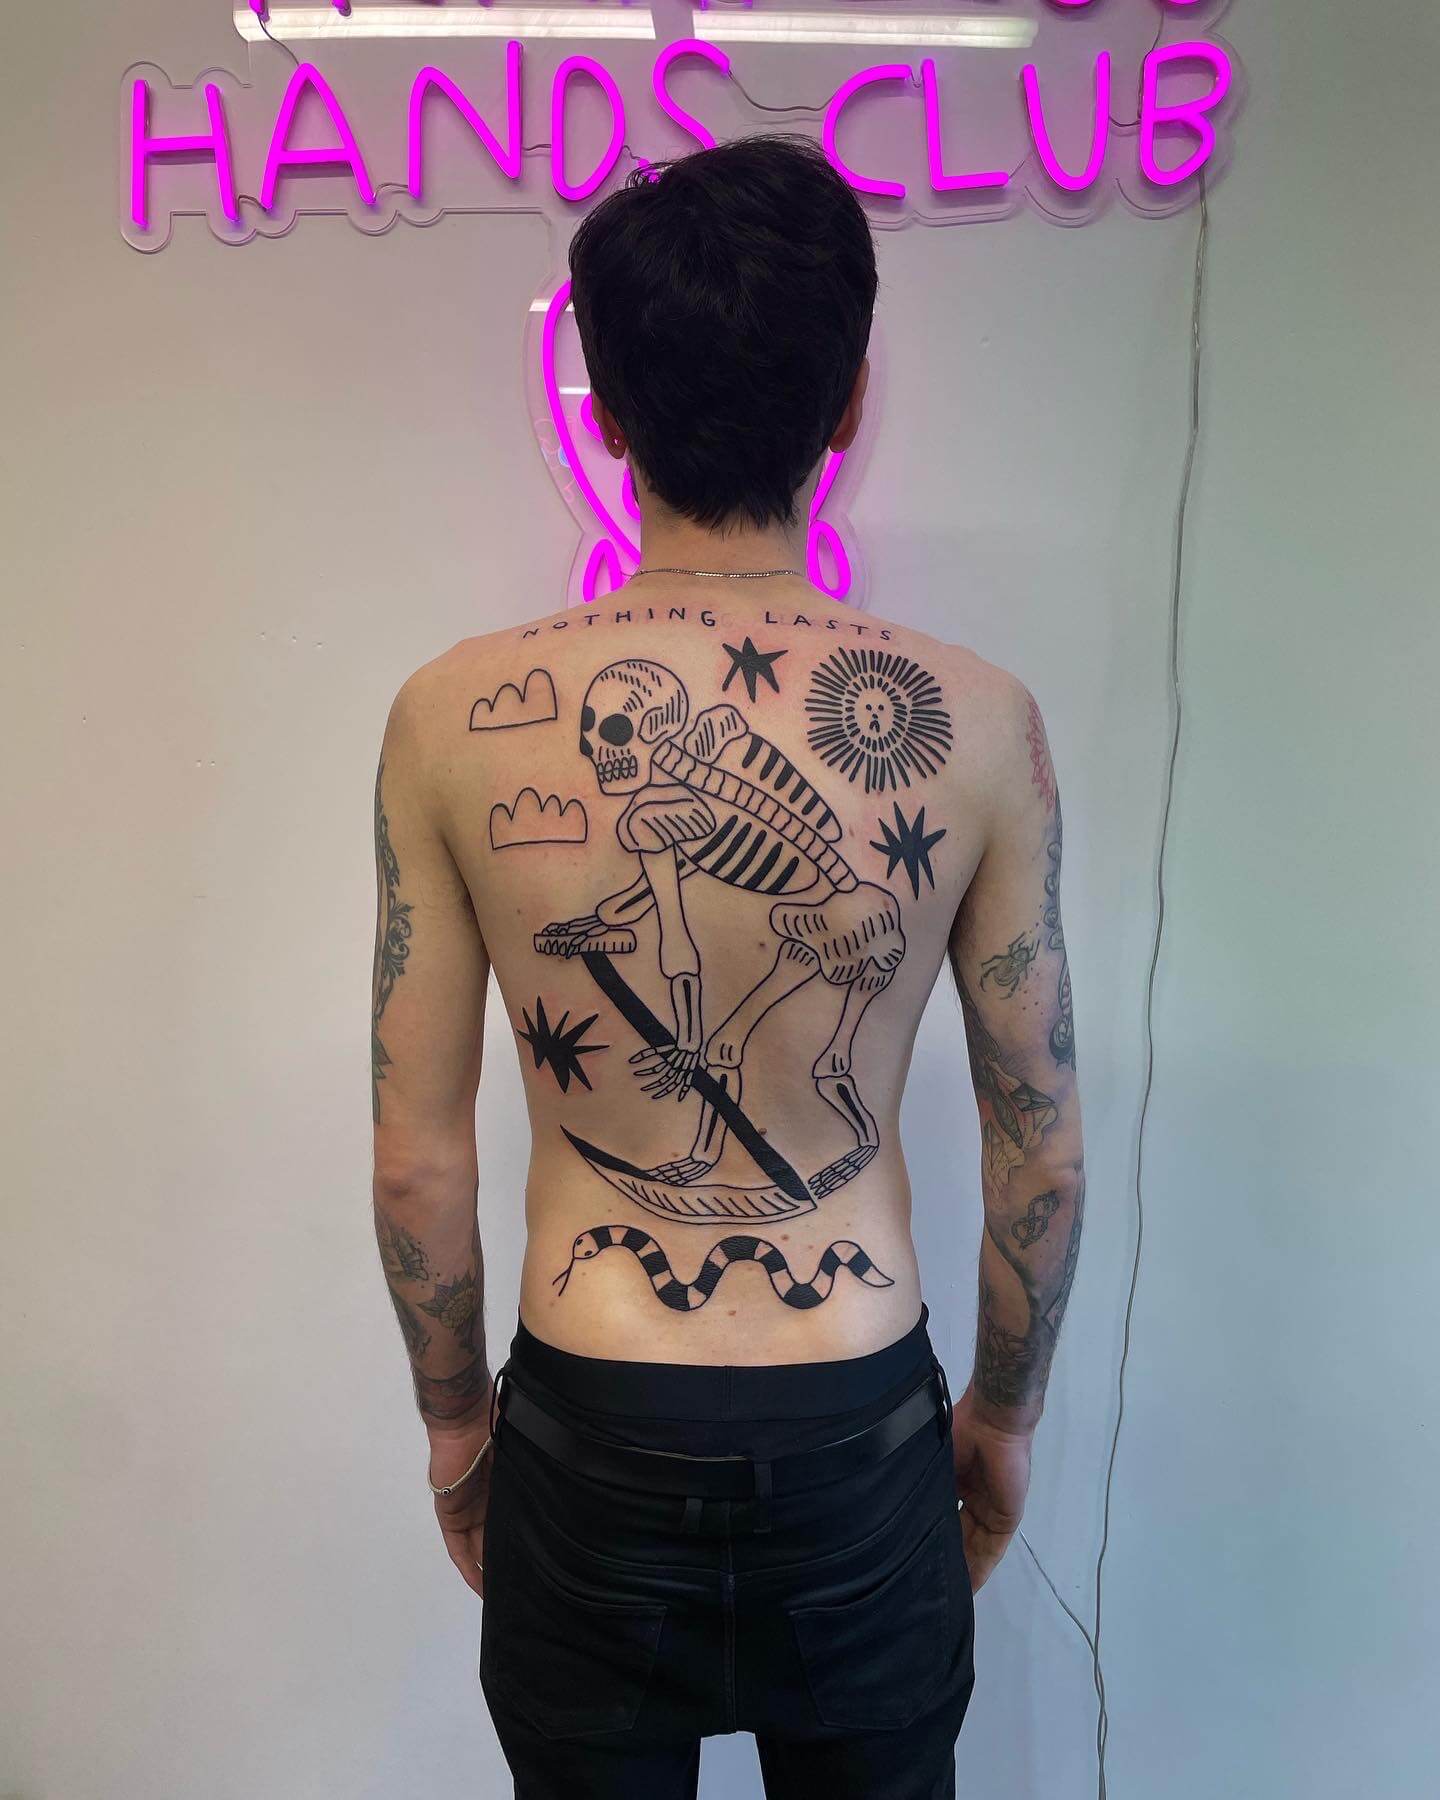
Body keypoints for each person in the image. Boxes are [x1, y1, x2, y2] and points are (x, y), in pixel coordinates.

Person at [370, 134, 1086, 1800]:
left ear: (607, 416)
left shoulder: (444, 718)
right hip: (860, 1428)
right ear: (850, 403)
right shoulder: (986, 724)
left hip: (588, 1427)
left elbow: (415, 1164)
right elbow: (1039, 1146)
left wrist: (459, 1432)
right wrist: (1001, 1420)